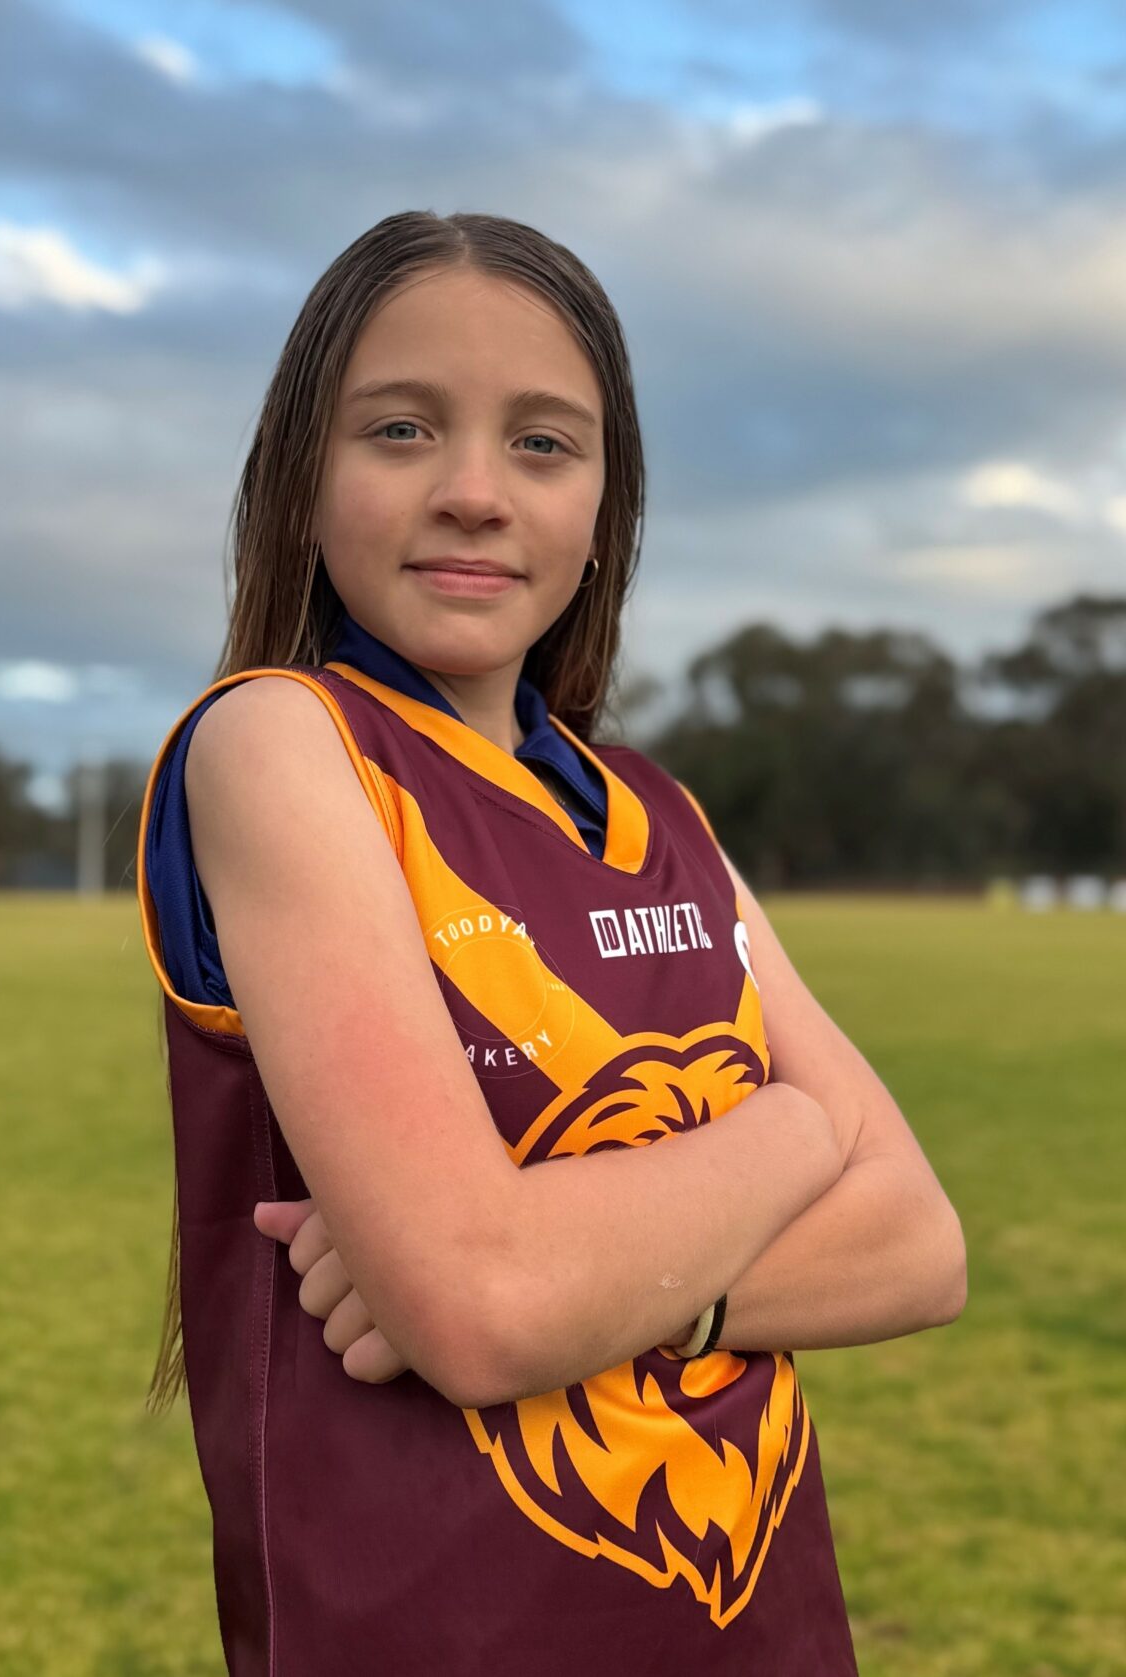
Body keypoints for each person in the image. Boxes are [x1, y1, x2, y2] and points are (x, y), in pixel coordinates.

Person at [135, 209, 967, 1677]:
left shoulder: (660, 812)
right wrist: (789, 1135)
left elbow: (920, 1246)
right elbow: (486, 1306)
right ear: (301, 474)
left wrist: (614, 1283)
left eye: (542, 443)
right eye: (400, 429)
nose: (473, 492)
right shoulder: (282, 744)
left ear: (605, 502)